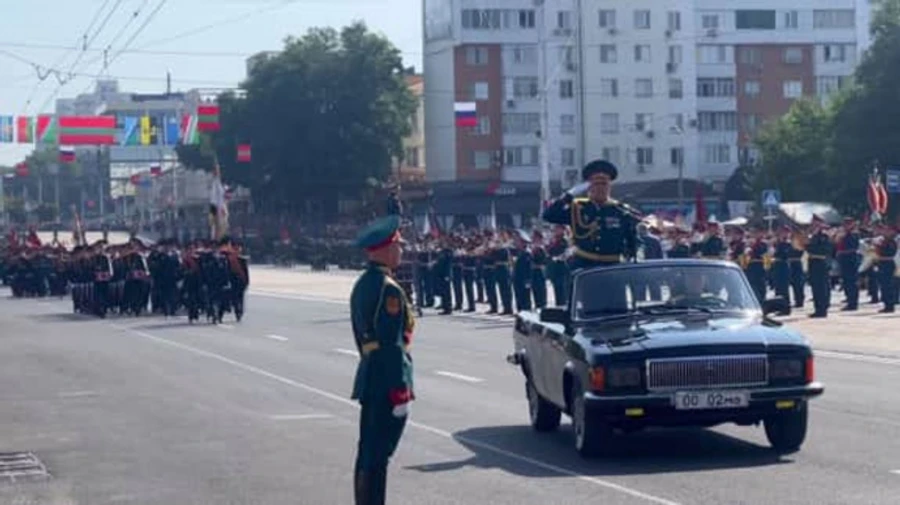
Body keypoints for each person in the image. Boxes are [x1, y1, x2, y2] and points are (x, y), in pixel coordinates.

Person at [349, 214, 415, 505]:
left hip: (369, 375)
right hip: (386, 380)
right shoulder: (389, 288)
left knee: (368, 450)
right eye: (398, 245)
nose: (401, 250)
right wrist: (400, 387)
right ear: (385, 249)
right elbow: (391, 344)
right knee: (378, 455)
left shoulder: (363, 283)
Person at [542, 159, 641, 271]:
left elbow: (632, 239)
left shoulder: (620, 210)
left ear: (609, 187)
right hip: (583, 266)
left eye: (604, 184)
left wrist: (631, 255)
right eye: (596, 184)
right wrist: (568, 196)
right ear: (588, 187)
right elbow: (549, 215)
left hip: (612, 267)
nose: (600, 188)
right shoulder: (578, 208)